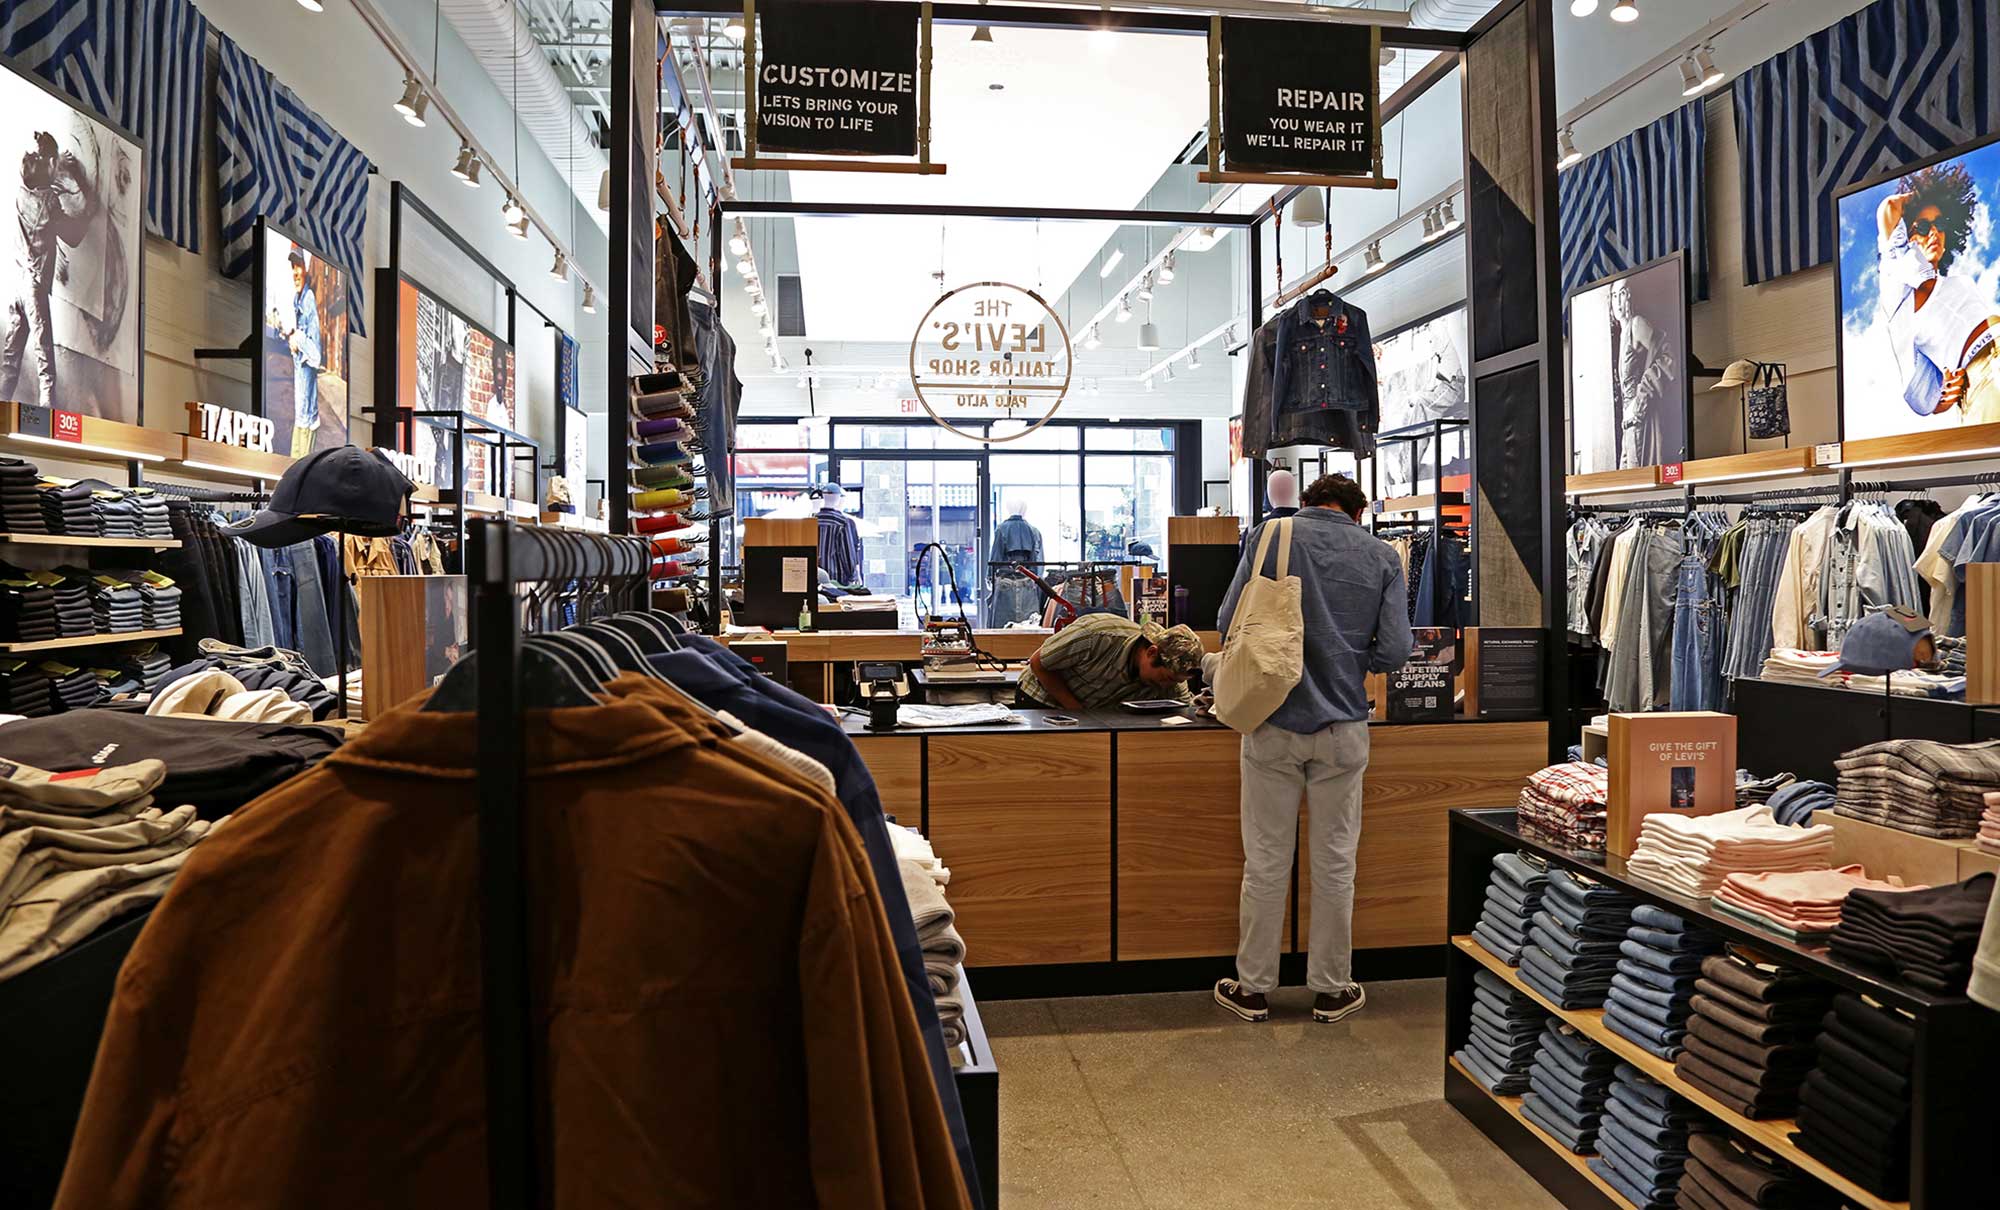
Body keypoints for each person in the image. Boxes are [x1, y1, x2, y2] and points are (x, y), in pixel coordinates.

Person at [1212, 473, 1414, 1025]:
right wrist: (1352, 661)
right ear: (1356, 512)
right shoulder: (1380, 555)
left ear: (1307, 503)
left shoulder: (1269, 536)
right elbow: (1396, 650)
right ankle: (1332, 988)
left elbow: (1229, 621)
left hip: (1273, 721)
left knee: (1266, 861)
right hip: (1344, 727)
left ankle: (1252, 989)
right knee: (1335, 863)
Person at [1876, 162, 2000, 424]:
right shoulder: (1900, 293)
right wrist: (1920, 195)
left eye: (1940, 224)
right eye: (1922, 227)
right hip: (1982, 377)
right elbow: (1889, 208)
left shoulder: (1954, 282)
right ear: (1908, 237)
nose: (1933, 232)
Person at [1, 123, 95, 407]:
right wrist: (86, 208)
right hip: (33, 287)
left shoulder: (23, 191)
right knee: (45, 357)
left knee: (10, 356)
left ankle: (2, 404)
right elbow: (74, 236)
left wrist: (51, 162)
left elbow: (40, 174)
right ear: (51, 166)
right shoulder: (49, 203)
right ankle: (47, 413)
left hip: (16, 283)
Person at [1016, 615, 1204, 711]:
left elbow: (1183, 710)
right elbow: (1038, 663)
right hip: (1042, 697)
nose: (1166, 686)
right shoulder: (1096, 635)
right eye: (1165, 678)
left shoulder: (1173, 673)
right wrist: (1078, 712)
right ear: (1151, 652)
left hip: (1094, 710)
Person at [1611, 278, 1676, 468]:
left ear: (1631, 296)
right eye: (1614, 295)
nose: (1618, 301)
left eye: (1623, 293)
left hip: (1641, 421)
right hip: (1628, 426)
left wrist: (1639, 400)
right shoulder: (1622, 333)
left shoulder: (1637, 324)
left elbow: (1668, 357)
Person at [273, 249, 324, 458]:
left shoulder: (308, 299)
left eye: (298, 266)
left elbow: (316, 355)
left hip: (307, 420)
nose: (295, 273)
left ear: (306, 269)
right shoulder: (298, 300)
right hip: (301, 416)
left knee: (297, 470)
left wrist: (298, 339)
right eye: (292, 267)